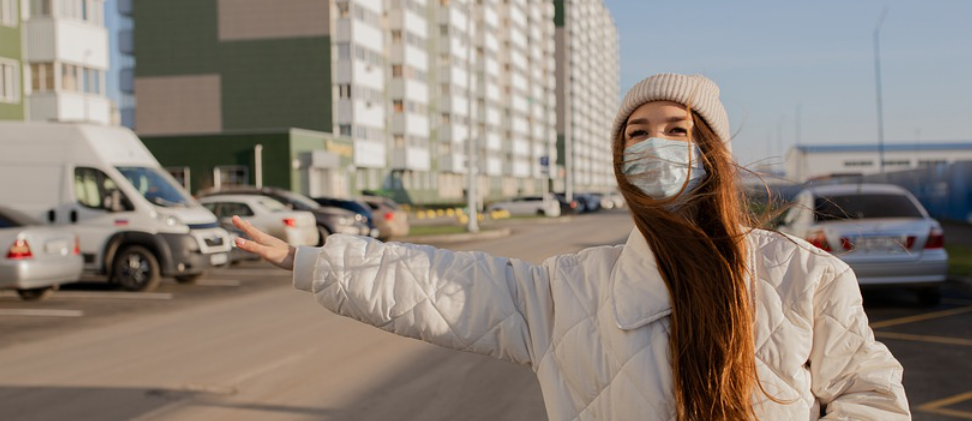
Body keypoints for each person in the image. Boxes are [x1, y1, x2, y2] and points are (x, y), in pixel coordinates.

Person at [232, 73, 910, 421]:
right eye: (636, 133)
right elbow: (438, 286)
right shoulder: (568, 288)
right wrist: (316, 259)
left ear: (711, 149)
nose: (654, 145)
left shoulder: (806, 277)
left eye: (676, 129)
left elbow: (872, 396)